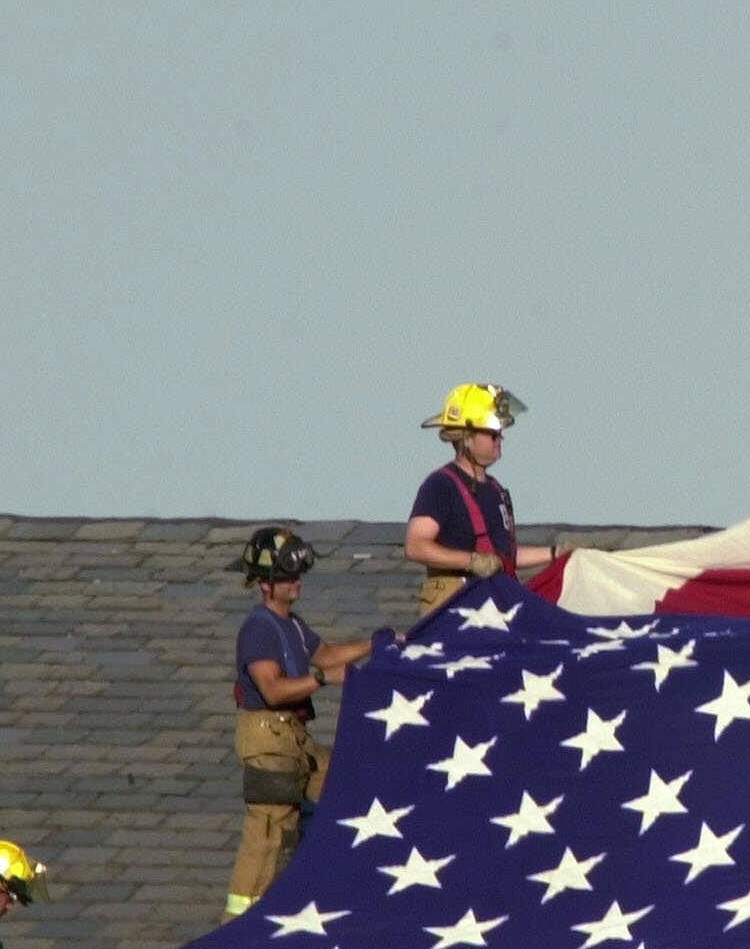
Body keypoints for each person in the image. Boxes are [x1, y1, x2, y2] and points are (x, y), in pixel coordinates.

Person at [225, 526, 372, 921]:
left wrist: (378, 644)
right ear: (266, 585)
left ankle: (319, 899)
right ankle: (238, 929)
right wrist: (323, 680)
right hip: (269, 740)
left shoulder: (292, 625)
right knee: (271, 833)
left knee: (344, 790)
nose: (296, 582)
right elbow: (272, 689)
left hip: (293, 738)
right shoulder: (259, 628)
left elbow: (327, 655)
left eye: (298, 574)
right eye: (287, 576)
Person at [406, 382, 561, 616]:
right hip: (456, 606)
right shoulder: (440, 486)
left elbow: (503, 557)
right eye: (492, 433)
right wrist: (471, 561)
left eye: (500, 432)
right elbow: (416, 546)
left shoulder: (495, 490)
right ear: (466, 438)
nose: (500, 439)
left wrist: (556, 553)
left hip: (494, 604)